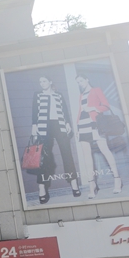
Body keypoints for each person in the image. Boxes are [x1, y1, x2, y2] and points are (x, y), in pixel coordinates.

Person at [30, 75, 79, 203]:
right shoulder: (38, 95)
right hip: (44, 126)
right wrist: (34, 126)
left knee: (67, 153)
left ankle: (74, 183)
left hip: (59, 125)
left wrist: (67, 123)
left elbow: (64, 111)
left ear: (50, 82)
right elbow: (35, 111)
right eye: (40, 81)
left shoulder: (58, 95)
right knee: (43, 157)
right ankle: (42, 188)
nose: (42, 83)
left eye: (44, 81)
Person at [75, 73, 122, 197]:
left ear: (87, 79)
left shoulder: (96, 90)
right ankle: (92, 186)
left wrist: (92, 108)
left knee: (105, 150)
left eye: (81, 81)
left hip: (95, 124)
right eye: (78, 82)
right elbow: (80, 111)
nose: (80, 84)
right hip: (83, 126)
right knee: (86, 156)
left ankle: (117, 179)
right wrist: (77, 127)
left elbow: (106, 106)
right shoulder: (81, 95)